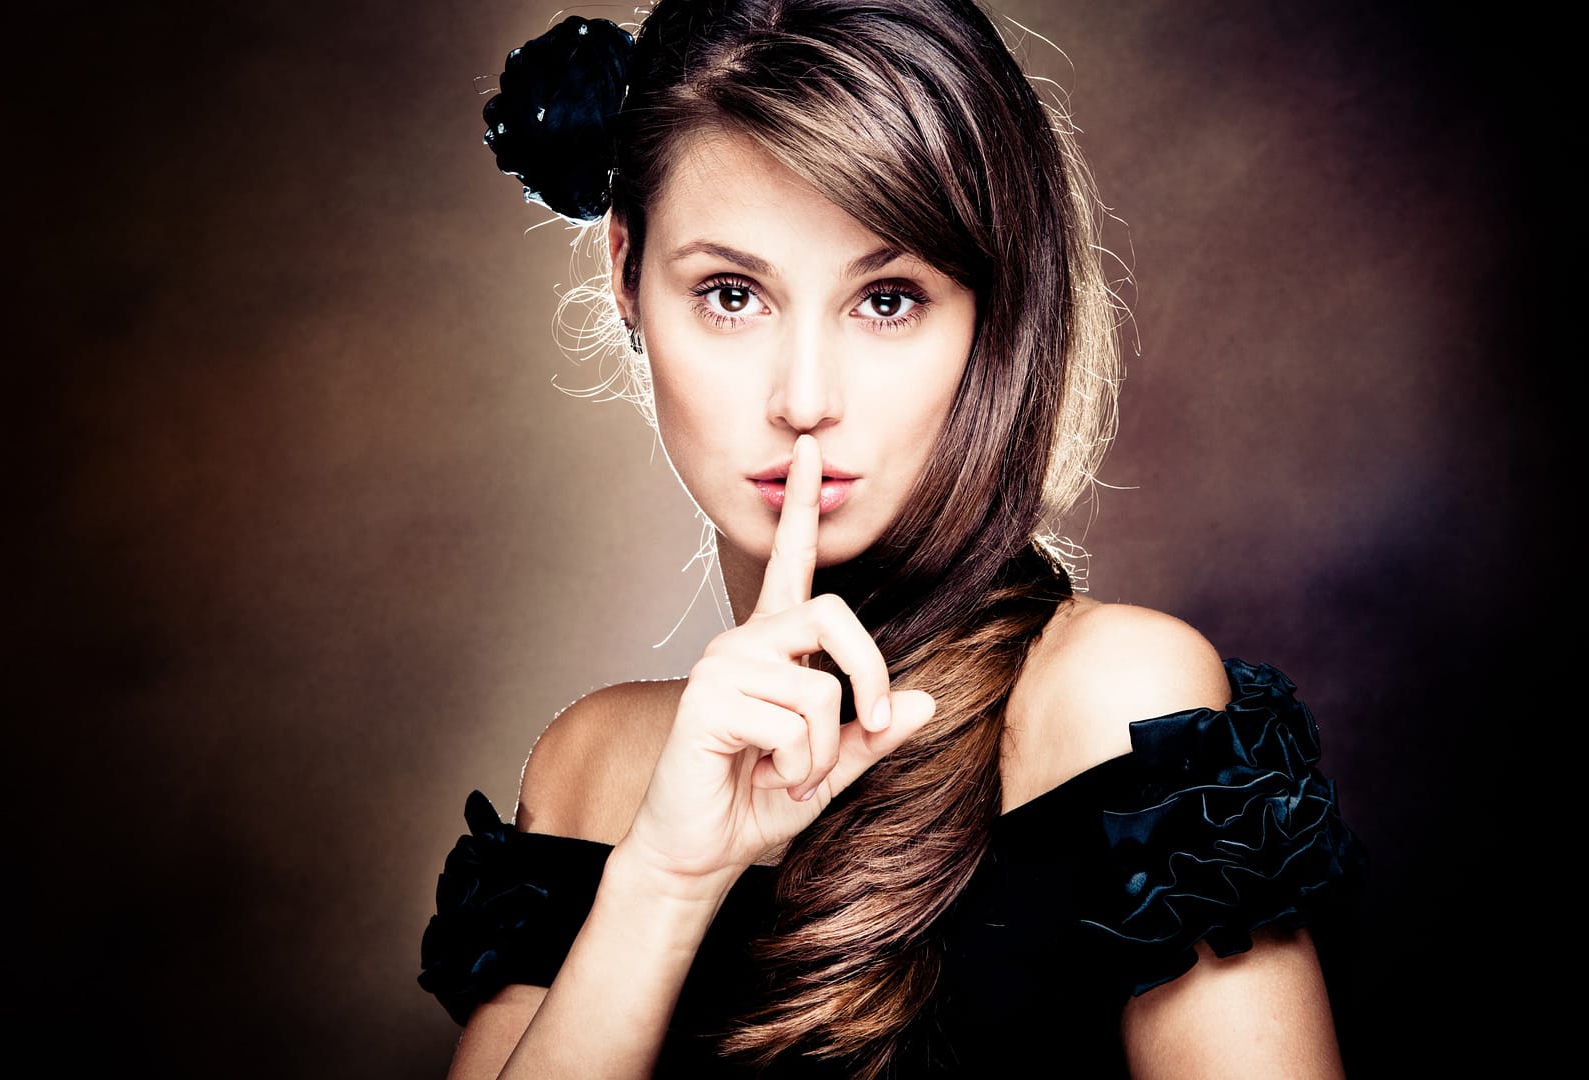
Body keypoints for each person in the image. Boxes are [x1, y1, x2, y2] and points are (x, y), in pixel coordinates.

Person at [418, 1, 1365, 1076]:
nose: (806, 398)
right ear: (626, 276)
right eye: (731, 295)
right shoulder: (595, 768)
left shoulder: (1115, 710)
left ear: (991, 314)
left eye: (888, 299)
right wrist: (663, 883)